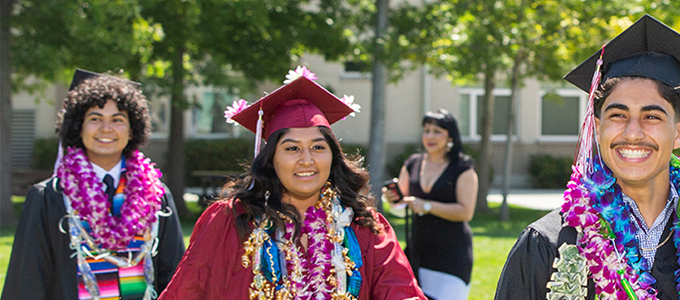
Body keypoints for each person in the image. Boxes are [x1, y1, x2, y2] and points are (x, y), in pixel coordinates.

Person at [495, 15, 680, 300]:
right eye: (618, 115)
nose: (633, 133)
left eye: (651, 116)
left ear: (679, 133)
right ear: (597, 128)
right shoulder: (549, 246)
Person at [158, 67, 426, 300]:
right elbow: (187, 290)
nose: (307, 160)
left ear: (333, 156)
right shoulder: (231, 220)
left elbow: (401, 291)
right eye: (291, 148)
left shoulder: (363, 227)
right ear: (270, 158)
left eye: (318, 147)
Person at [2, 70, 185, 299]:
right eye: (95, 118)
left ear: (132, 130)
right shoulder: (50, 197)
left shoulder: (157, 197)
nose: (106, 129)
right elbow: (27, 283)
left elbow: (177, 278)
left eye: (118, 119)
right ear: (79, 127)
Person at [382, 109, 479, 300]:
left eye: (437, 131)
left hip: (452, 257)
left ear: (450, 135)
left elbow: (466, 212)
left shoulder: (463, 168)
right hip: (417, 253)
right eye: (426, 130)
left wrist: (426, 206)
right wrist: (392, 199)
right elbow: (401, 206)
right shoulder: (413, 163)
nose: (429, 136)